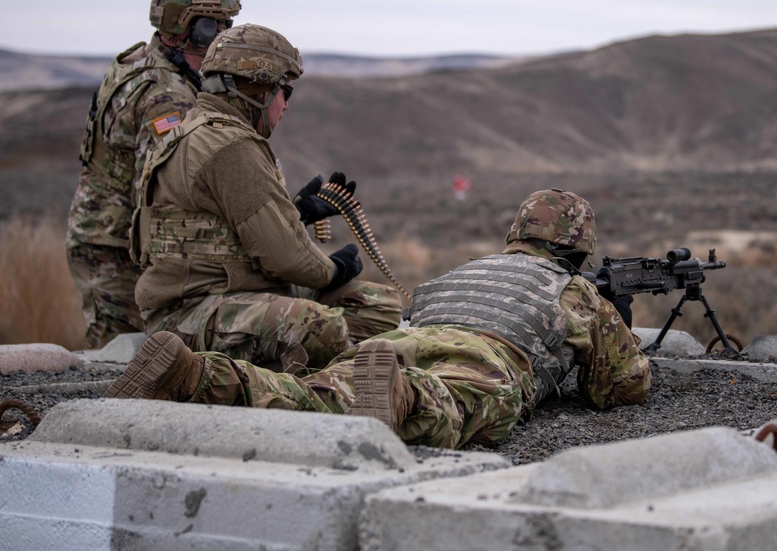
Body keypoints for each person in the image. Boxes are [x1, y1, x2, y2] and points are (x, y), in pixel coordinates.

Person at [107, 189, 652, 450]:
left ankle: (199, 375)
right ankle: (406, 397)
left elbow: (415, 307)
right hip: (484, 355)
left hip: (402, 339)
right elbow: (621, 387)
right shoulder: (571, 288)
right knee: (459, 408)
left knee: (318, 392)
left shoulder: (468, 269)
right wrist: (615, 323)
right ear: (577, 248)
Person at [127, 23, 401, 375]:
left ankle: (302, 373)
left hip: (219, 300)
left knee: (377, 303)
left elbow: (227, 232)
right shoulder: (230, 146)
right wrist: (334, 270)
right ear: (255, 88)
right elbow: (285, 258)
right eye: (284, 90)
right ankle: (283, 390)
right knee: (320, 326)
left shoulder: (192, 133)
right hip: (193, 314)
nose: (286, 104)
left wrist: (294, 214)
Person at [67, 0, 242, 348]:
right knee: (124, 360)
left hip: (109, 237)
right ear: (184, 30)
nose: (221, 40)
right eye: (214, 28)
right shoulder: (166, 96)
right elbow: (164, 192)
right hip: (115, 248)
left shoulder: (140, 62)